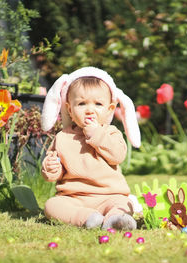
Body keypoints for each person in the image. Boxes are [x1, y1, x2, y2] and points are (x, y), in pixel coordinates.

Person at [40, 67, 141, 230]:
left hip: (110, 195)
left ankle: (115, 218)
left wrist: (97, 134)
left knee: (125, 203)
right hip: (74, 197)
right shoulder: (62, 137)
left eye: (98, 104)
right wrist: (51, 168)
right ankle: (89, 218)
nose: (90, 110)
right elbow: (54, 171)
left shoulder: (110, 132)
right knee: (52, 205)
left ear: (109, 109)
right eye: (81, 104)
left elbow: (117, 156)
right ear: (70, 110)